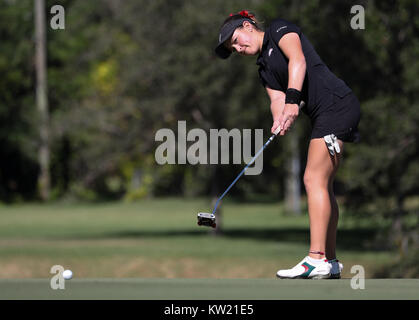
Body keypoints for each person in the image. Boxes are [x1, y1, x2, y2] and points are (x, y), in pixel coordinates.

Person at [215, 10, 361, 279]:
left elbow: (298, 60)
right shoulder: (264, 69)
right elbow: (276, 100)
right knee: (322, 183)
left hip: (337, 105)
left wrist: (293, 101)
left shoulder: (279, 30)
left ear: (247, 26)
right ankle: (330, 261)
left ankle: (316, 258)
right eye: (233, 48)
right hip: (325, 113)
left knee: (312, 179)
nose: (238, 48)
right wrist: (280, 118)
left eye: (236, 40)